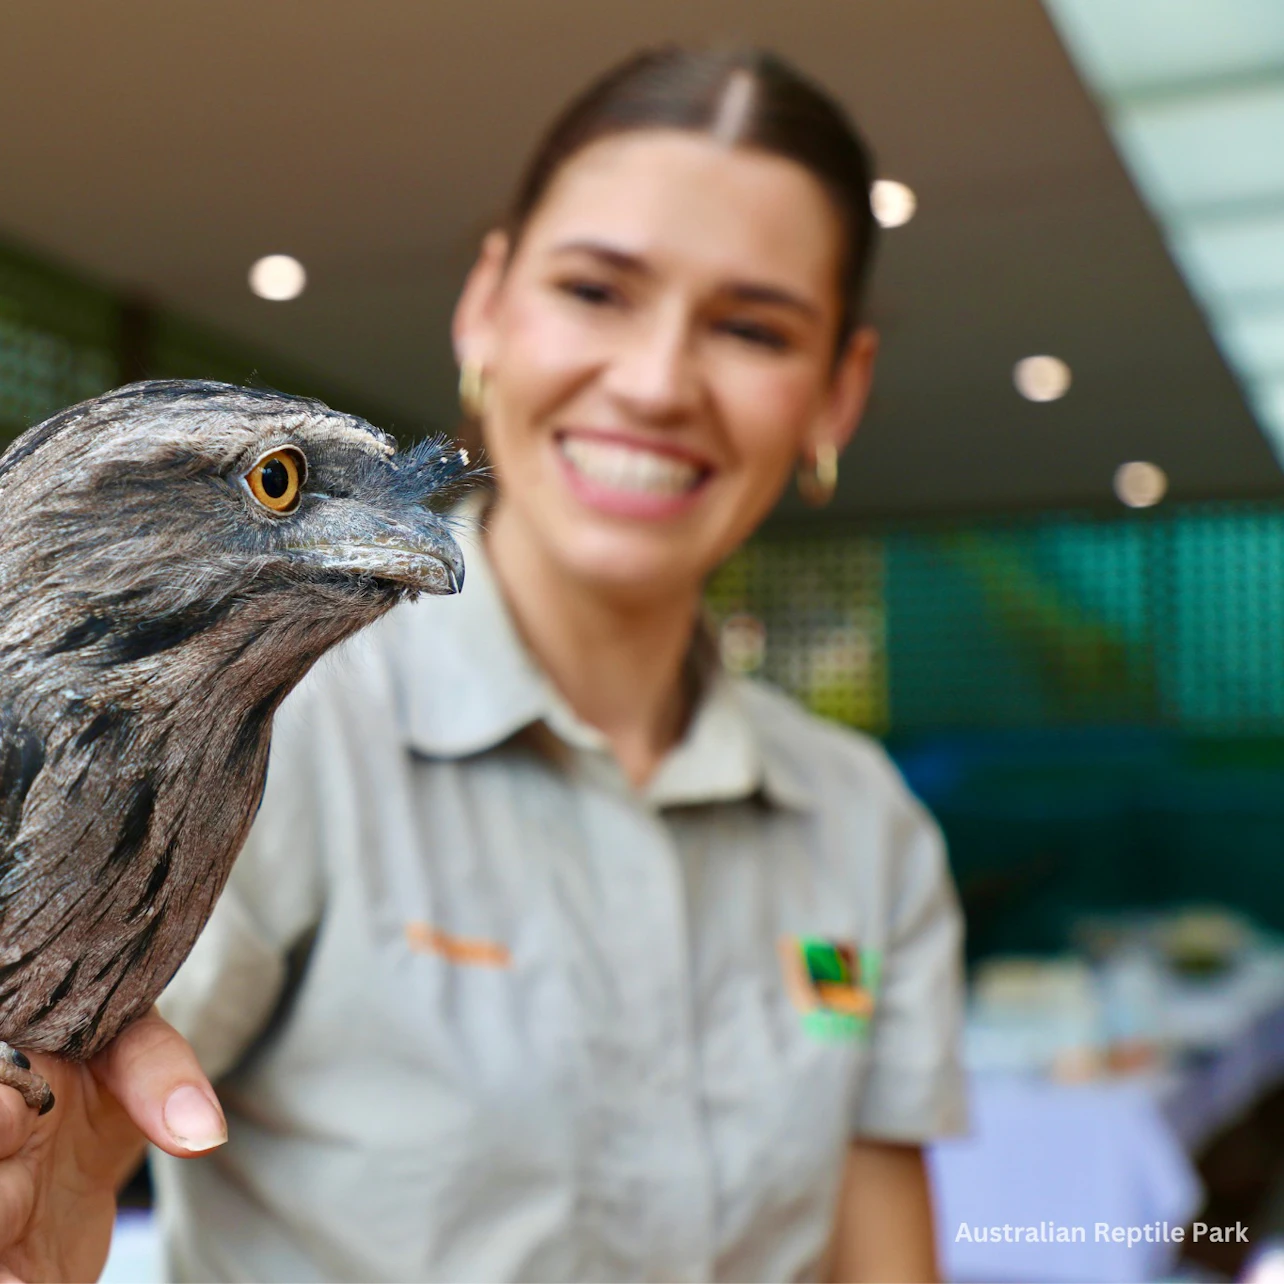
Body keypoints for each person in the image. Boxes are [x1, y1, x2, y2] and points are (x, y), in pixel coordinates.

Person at [0, 45, 965, 1283]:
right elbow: (78, 1110)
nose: (659, 382)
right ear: (487, 307)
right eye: (598, 292)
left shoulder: (862, 824)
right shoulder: (263, 716)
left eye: (751, 327)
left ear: (839, 390)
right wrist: (50, 1201)